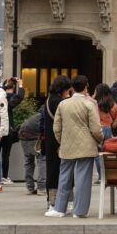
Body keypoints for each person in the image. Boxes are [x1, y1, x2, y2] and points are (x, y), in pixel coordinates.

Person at [47, 74, 104, 218]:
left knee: (64, 177)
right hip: (86, 146)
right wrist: (99, 140)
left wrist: (62, 140)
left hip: (67, 145)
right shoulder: (89, 104)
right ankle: (79, 211)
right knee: (82, 179)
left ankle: (59, 208)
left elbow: (56, 128)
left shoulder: (63, 104)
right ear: (86, 87)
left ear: (72, 87)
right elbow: (96, 129)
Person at [42, 75, 72, 210]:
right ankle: (66, 200)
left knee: (52, 170)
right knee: (66, 170)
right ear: (63, 89)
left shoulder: (48, 100)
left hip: (50, 140)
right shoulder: (61, 103)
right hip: (61, 140)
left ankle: (51, 200)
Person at [1, 77, 25, 184]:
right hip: (8, 130)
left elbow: (0, 90)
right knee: (6, 155)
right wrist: (21, 85)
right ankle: (4, 177)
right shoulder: (10, 101)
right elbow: (20, 97)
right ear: (14, 87)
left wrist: (4, 84)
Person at [18, 111, 46, 194]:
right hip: (34, 134)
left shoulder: (38, 115)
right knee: (42, 159)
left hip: (22, 133)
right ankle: (41, 188)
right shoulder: (46, 115)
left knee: (28, 161)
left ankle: (30, 187)